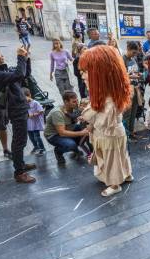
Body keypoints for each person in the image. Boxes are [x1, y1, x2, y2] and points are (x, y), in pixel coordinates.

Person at [78, 45, 133, 197]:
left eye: (86, 72)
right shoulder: (109, 95)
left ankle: (115, 184)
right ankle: (127, 174)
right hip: (112, 134)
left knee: (112, 161)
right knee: (120, 157)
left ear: (100, 74)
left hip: (109, 135)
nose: (83, 76)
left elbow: (102, 122)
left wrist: (89, 114)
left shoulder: (109, 100)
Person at [0, 44, 36, 183]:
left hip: (20, 107)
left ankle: (20, 164)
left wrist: (26, 59)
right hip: (15, 110)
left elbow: (24, 74)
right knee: (19, 140)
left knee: (21, 139)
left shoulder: (2, 69)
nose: (1, 55)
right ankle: (19, 172)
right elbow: (19, 74)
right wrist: (20, 57)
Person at [44, 91, 87, 164]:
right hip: (54, 135)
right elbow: (62, 133)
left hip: (68, 128)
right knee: (71, 144)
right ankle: (58, 151)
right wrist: (81, 133)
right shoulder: (57, 112)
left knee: (85, 128)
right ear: (66, 102)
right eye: (74, 101)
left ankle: (74, 149)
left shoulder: (75, 107)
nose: (77, 103)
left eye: (77, 100)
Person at [122, 41, 143, 138]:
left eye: (136, 53)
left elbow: (135, 71)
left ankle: (131, 131)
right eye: (133, 52)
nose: (135, 55)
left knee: (134, 111)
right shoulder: (122, 59)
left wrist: (138, 75)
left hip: (136, 88)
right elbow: (121, 76)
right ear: (128, 49)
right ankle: (126, 133)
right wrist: (132, 77)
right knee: (127, 113)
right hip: (127, 89)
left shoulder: (133, 59)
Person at [24, 89, 46, 155]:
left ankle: (42, 148)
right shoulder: (24, 104)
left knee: (37, 136)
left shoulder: (35, 103)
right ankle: (36, 146)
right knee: (31, 137)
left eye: (26, 98)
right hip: (28, 124)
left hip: (35, 124)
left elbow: (41, 111)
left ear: (30, 95)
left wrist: (33, 114)